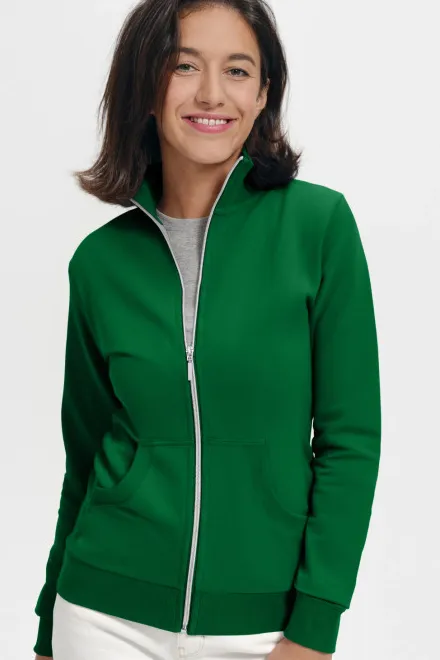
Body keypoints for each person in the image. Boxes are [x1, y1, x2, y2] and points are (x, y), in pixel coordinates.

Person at [33, 1, 381, 659]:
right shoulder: (100, 264)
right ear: (146, 87)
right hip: (102, 614)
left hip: (262, 626)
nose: (212, 94)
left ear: (263, 94)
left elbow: (351, 442)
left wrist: (315, 626)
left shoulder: (318, 229)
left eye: (238, 70)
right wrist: (48, 629)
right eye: (183, 66)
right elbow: (84, 457)